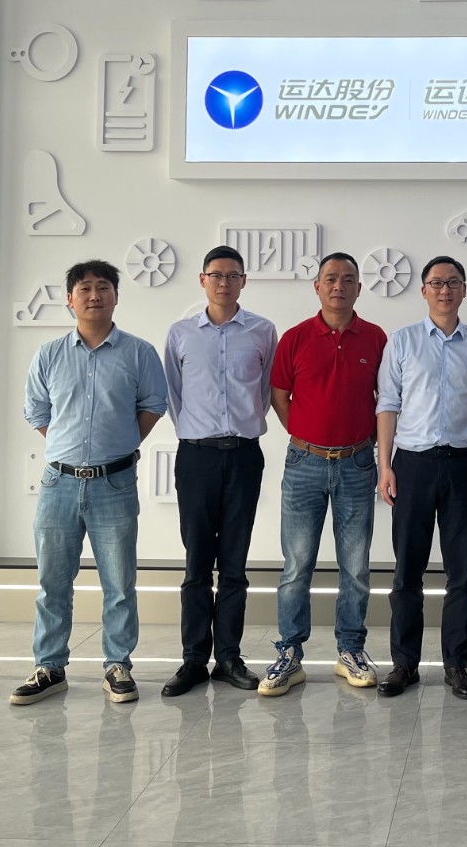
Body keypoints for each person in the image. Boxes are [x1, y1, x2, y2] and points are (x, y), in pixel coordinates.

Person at [12, 259, 168, 705]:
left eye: (103, 287)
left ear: (116, 296)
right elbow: (36, 410)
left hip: (114, 484)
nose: (94, 295)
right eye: (84, 288)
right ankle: (49, 666)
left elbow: (154, 404)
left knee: (119, 583)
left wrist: (119, 445)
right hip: (58, 483)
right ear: (70, 299)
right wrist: (69, 449)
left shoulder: (138, 353)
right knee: (53, 582)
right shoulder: (49, 354)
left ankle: (117, 665)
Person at [375, 255, 467, 700]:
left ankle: (456, 665)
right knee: (407, 571)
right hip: (412, 464)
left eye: (453, 282)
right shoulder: (403, 341)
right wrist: (385, 465)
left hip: (464, 465)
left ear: (464, 289)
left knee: (462, 572)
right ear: (424, 290)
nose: (444, 290)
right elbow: (388, 404)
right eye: (436, 283)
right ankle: (403, 664)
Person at [262, 252, 387, 696]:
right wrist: (305, 436)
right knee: (297, 565)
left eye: (348, 279)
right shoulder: (295, 338)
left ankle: (350, 650)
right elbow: (280, 395)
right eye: (331, 279)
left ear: (359, 288)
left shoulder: (375, 338)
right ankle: (290, 653)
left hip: (357, 463)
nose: (339, 286)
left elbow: (386, 399)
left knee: (355, 566)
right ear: (317, 286)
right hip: (304, 463)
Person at [159, 246, 278, 697]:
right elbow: (173, 393)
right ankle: (193, 659)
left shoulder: (263, 331)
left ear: (243, 281)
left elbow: (266, 392)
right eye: (216, 275)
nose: (224, 282)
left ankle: (228, 657)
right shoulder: (181, 333)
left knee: (234, 562)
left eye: (232, 275)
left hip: (245, 455)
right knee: (196, 564)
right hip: (196, 458)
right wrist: (198, 432)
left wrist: (240, 427)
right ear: (202, 280)